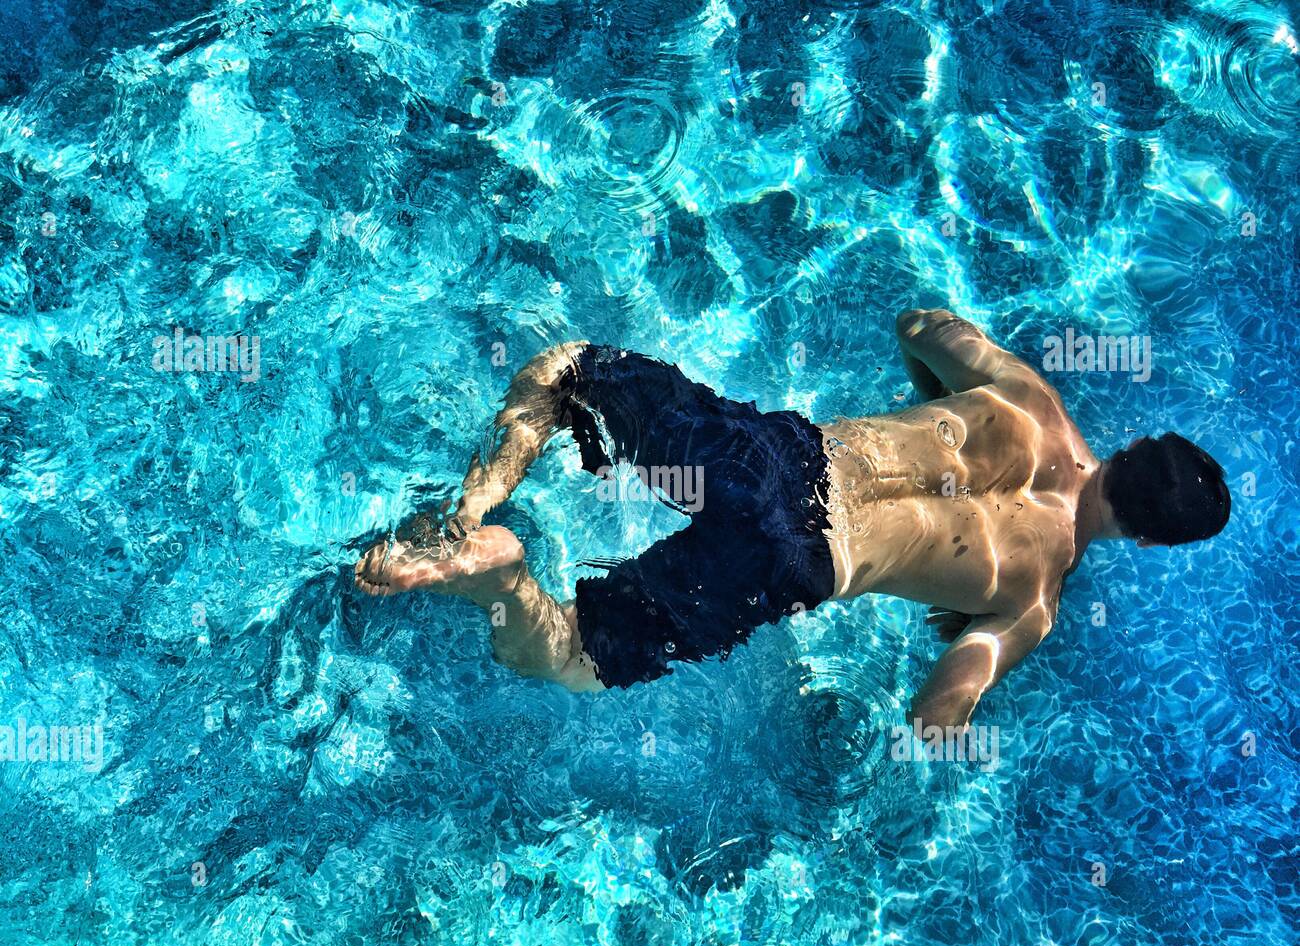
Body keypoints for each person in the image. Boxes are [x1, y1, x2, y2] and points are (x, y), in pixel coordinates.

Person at [354, 311, 1230, 729]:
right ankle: (500, 575)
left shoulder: (1029, 399)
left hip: (777, 461)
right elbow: (935, 713)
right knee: (574, 657)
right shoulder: (1035, 601)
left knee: (565, 368)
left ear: (1134, 448)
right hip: (794, 563)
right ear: (1149, 538)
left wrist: (938, 400)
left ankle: (475, 505)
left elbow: (920, 323)